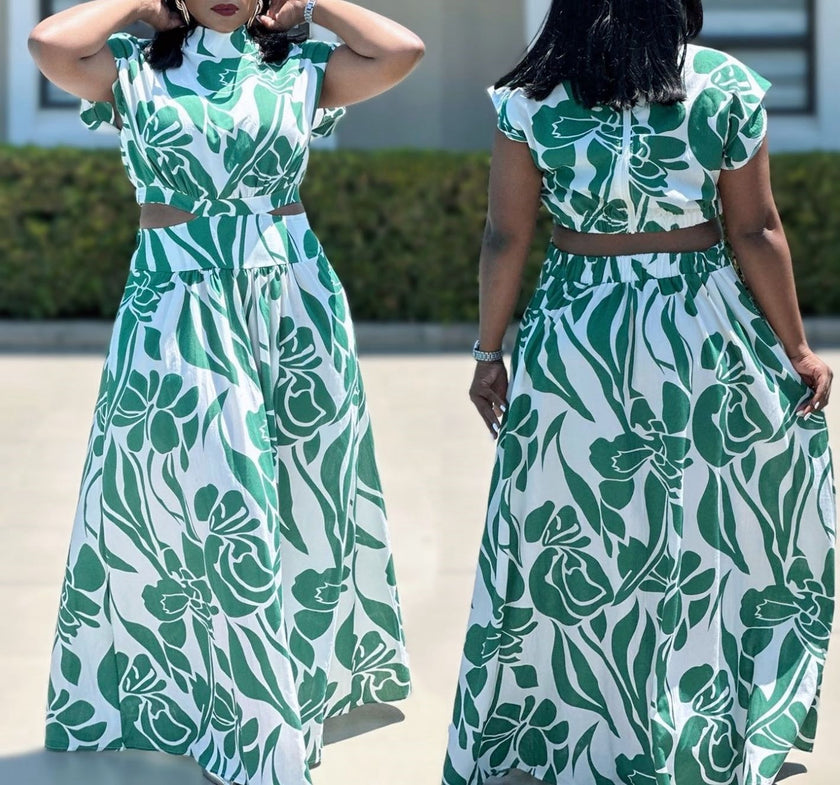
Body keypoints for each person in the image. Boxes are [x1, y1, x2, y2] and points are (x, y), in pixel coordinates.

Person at [29, 1, 423, 783]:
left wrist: (309, 5)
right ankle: (226, 714)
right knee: (207, 501)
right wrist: (144, 5)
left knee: (291, 498)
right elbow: (47, 41)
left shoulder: (298, 70)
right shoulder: (133, 69)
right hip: (176, 297)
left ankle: (271, 711)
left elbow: (400, 51)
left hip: (289, 303)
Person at [443, 1, 835, 783]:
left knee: (578, 525)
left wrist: (491, 350)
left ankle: (578, 718)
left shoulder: (531, 96)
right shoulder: (724, 84)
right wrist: (796, 347)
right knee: (701, 530)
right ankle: (702, 710)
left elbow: (506, 234)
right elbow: (755, 230)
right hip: (701, 325)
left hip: (575, 333)